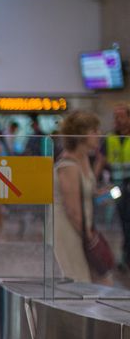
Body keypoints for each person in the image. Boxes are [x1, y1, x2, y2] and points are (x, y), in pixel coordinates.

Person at [54, 110, 104, 283]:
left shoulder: (83, 159)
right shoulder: (68, 165)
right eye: (94, 130)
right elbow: (73, 210)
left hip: (82, 228)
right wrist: (90, 239)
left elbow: (87, 190)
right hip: (70, 230)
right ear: (81, 133)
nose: (99, 135)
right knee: (76, 277)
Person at [106, 103, 130, 268]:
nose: (118, 120)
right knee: (124, 221)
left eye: (121, 116)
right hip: (118, 187)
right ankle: (126, 255)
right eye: (115, 117)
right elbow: (102, 158)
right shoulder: (110, 137)